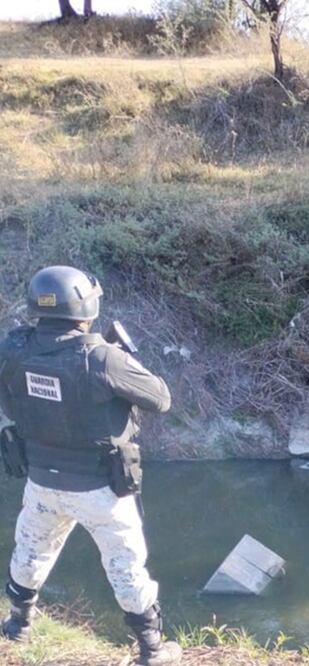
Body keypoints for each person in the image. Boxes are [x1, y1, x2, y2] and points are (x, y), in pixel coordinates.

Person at [0, 266, 181, 666]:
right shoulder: (102, 357)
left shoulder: (13, 348)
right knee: (126, 565)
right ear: (85, 306)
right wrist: (124, 358)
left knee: (31, 550)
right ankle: (151, 649)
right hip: (100, 487)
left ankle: (17, 625)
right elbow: (160, 398)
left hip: (42, 479)